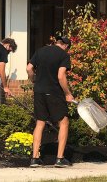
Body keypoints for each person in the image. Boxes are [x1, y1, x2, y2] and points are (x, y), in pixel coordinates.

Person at [26, 36, 74, 168]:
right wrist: (68, 93)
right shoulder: (64, 55)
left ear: (56, 42)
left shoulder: (41, 51)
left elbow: (29, 68)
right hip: (54, 92)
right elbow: (60, 76)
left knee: (40, 122)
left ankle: (35, 159)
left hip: (39, 91)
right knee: (63, 122)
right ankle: (59, 159)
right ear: (66, 46)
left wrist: (33, 80)